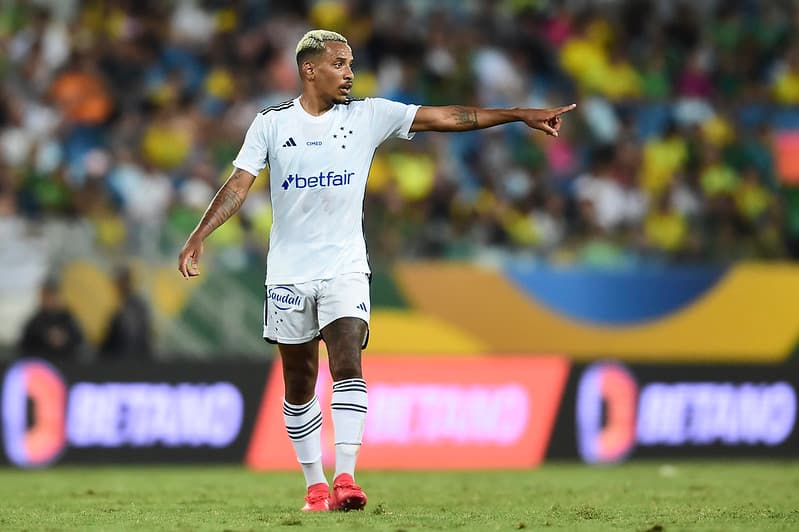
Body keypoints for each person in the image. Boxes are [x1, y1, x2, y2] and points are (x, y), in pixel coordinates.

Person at [177, 29, 575, 512]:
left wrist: (517, 115)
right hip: (287, 273)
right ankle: (314, 484)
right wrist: (200, 233)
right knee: (300, 383)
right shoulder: (270, 124)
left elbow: (446, 116)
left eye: (351, 64)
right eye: (340, 64)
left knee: (348, 360)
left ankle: (346, 478)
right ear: (310, 69)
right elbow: (239, 184)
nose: (349, 73)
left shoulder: (368, 115)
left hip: (345, 266)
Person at [18, 278, 85, 362]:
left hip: (67, 364)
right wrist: (46, 337)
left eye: (50, 295)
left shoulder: (67, 318)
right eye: (45, 296)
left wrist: (64, 339)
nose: (48, 300)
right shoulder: (36, 320)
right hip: (41, 365)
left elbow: (79, 340)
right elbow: (25, 344)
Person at [99, 266, 153, 360]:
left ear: (124, 282)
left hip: (127, 363)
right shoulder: (128, 305)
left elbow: (130, 339)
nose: (114, 285)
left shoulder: (133, 307)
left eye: (117, 281)